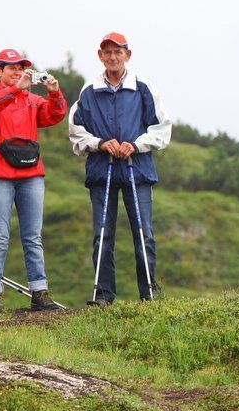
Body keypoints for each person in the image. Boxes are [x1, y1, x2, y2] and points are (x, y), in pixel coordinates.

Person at [68, 32, 171, 305]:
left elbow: (162, 129)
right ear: (100, 56)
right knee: (102, 235)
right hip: (102, 171)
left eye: (118, 52)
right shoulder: (89, 91)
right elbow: (76, 132)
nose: (113, 57)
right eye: (108, 52)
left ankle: (149, 294)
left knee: (144, 234)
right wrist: (101, 143)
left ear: (128, 55)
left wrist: (136, 145)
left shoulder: (143, 87)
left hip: (137, 169)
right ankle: (103, 295)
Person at [0, 48, 66, 312]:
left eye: (21, 68)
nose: (17, 72)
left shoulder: (32, 100)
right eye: (12, 68)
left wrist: (54, 92)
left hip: (31, 173)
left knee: (33, 236)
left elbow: (55, 115)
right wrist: (16, 90)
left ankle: (40, 292)